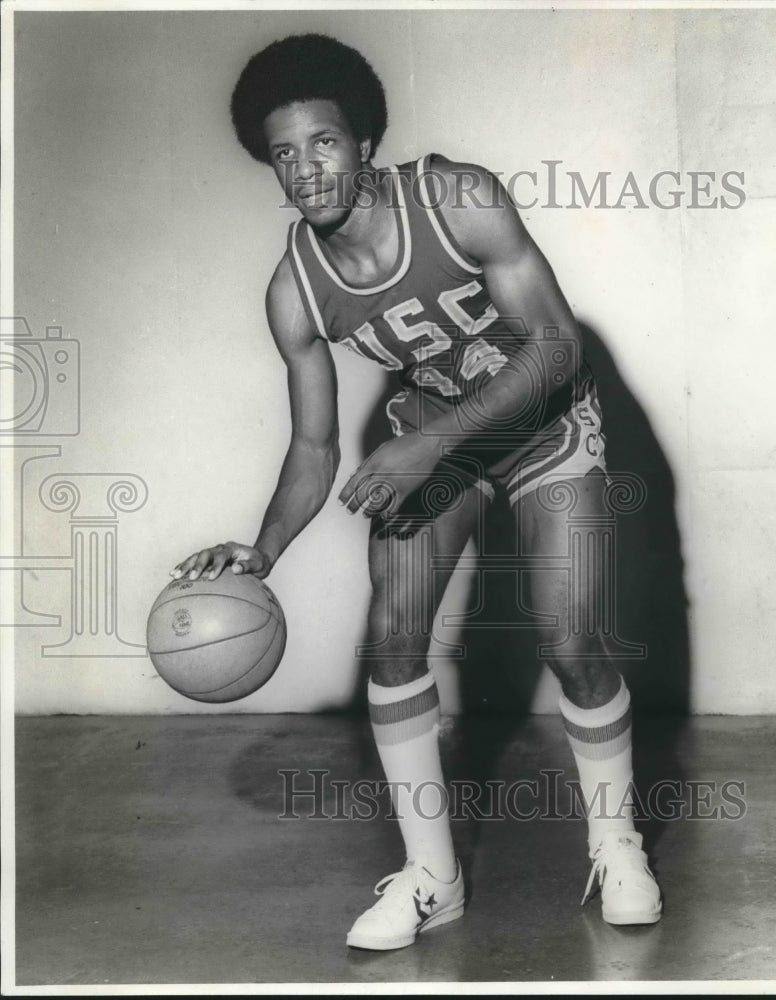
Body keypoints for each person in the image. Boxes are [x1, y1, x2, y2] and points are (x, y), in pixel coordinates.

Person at [171, 33, 662, 950]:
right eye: (284, 153)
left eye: (321, 141)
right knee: (393, 641)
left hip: (544, 424)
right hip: (433, 442)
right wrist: (261, 552)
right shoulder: (296, 291)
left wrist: (430, 439)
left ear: (361, 142)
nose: (305, 167)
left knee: (571, 636)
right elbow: (314, 447)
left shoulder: (455, 197)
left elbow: (557, 348)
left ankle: (617, 843)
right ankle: (433, 877)